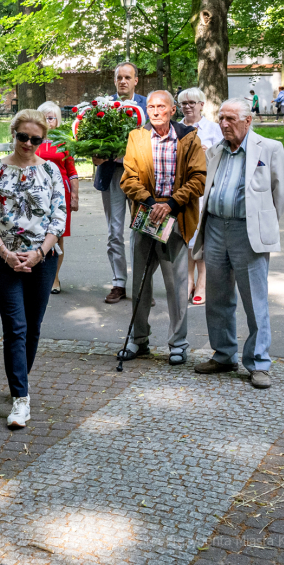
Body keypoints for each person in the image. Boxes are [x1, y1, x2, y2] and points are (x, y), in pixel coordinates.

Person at [193, 99, 284, 389]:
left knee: (254, 301)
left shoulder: (269, 149)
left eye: (231, 119)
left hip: (247, 232)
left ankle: (259, 363)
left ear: (248, 121)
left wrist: (261, 224)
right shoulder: (215, 151)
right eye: (221, 118)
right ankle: (223, 355)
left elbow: (280, 196)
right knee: (218, 297)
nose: (224, 124)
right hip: (215, 229)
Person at [0, 108, 65, 429]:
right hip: (3, 259)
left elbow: (58, 218)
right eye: (23, 137)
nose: (28, 143)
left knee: (33, 326)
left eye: (35, 139)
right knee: (14, 327)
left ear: (43, 139)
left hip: (42, 259)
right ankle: (20, 398)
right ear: (13, 134)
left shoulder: (51, 172)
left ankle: (19, 378)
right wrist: (4, 252)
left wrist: (39, 253)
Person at [118, 90, 206, 366]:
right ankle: (138, 340)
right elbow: (128, 178)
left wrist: (170, 204)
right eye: (152, 107)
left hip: (175, 219)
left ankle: (178, 344)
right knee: (140, 284)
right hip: (146, 218)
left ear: (172, 110)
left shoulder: (188, 138)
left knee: (177, 286)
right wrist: (150, 202)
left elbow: (198, 179)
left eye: (161, 107)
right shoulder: (137, 137)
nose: (155, 111)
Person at [95, 62, 149, 304]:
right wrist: (95, 154)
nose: (123, 81)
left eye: (128, 77)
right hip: (112, 174)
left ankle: (142, 285)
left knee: (143, 231)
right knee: (114, 232)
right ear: (114, 80)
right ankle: (118, 283)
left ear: (136, 80)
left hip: (141, 175)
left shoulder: (150, 105)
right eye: (119, 78)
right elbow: (91, 139)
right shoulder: (102, 106)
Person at [177, 88, 223, 306]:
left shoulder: (214, 129)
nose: (187, 106)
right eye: (183, 103)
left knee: (201, 236)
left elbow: (224, 158)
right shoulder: (175, 128)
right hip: (181, 190)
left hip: (205, 190)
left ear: (202, 104)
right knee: (186, 234)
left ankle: (203, 282)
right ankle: (188, 280)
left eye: (192, 102)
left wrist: (208, 152)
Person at [35, 102, 78, 294]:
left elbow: (72, 171)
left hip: (60, 194)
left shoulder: (63, 142)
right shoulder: (32, 139)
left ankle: (54, 278)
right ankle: (36, 275)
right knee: (35, 233)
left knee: (57, 236)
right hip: (35, 193)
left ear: (57, 120)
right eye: (44, 116)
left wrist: (75, 196)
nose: (47, 121)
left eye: (51, 117)